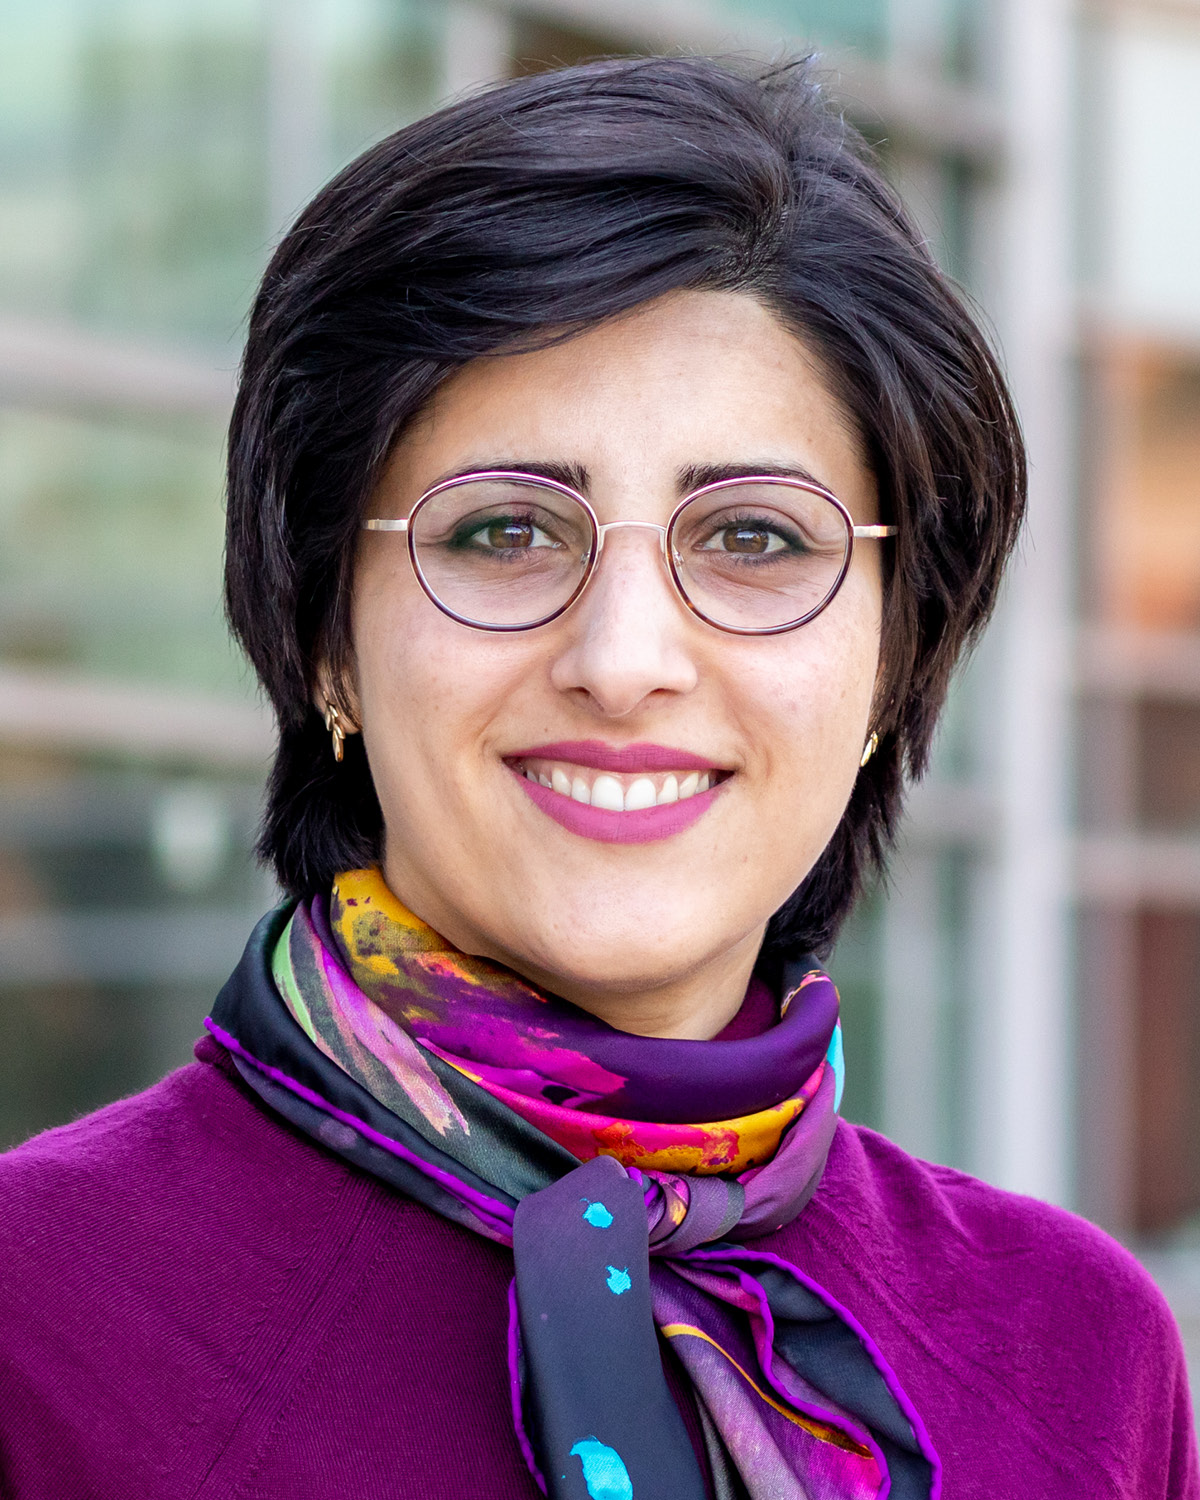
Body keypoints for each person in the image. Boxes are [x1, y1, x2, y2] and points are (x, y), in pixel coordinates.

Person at [0, 55, 1194, 1500]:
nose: (625, 660)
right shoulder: (41, 1320)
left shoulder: (1076, 1346)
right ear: (327, 638)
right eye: (504, 533)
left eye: (755, 538)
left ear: (894, 662)